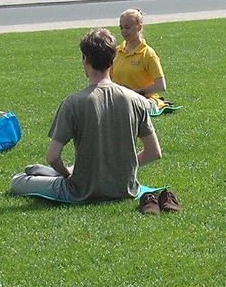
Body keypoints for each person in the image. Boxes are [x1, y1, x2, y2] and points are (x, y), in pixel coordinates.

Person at [10, 28, 162, 204]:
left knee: (19, 180)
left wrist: (67, 174)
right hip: (125, 188)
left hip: (81, 190)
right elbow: (154, 152)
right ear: (113, 59)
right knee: (34, 169)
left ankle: (66, 172)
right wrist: (120, 170)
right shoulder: (135, 100)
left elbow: (53, 157)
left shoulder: (74, 102)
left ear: (86, 59)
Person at [112, 7, 169, 111]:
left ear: (139, 27)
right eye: (121, 28)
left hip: (146, 100)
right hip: (121, 99)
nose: (124, 31)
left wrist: (135, 92)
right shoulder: (116, 52)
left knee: (129, 106)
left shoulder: (148, 54)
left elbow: (161, 86)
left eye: (127, 27)